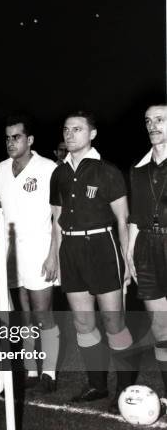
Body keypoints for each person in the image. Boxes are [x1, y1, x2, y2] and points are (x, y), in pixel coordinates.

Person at [49, 111, 138, 412]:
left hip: (102, 246)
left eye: (77, 129)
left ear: (92, 134)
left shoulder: (107, 171)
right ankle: (97, 385)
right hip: (71, 249)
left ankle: (125, 389)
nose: (70, 134)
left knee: (113, 321)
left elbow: (123, 219)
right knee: (83, 322)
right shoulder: (59, 173)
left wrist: (126, 260)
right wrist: (53, 255)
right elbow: (56, 219)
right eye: (66, 129)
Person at [0, 115, 60, 392]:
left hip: (40, 249)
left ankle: (50, 373)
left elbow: (59, 216)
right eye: (8, 137)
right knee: (24, 314)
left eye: (16, 137)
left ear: (30, 140)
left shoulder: (48, 168)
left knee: (43, 313)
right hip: (12, 253)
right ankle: (32, 371)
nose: (11, 142)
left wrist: (53, 254)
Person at [127, 103, 167, 399]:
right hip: (146, 248)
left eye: (160, 120)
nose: (152, 125)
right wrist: (129, 254)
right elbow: (135, 218)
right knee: (161, 329)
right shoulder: (138, 170)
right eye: (148, 121)